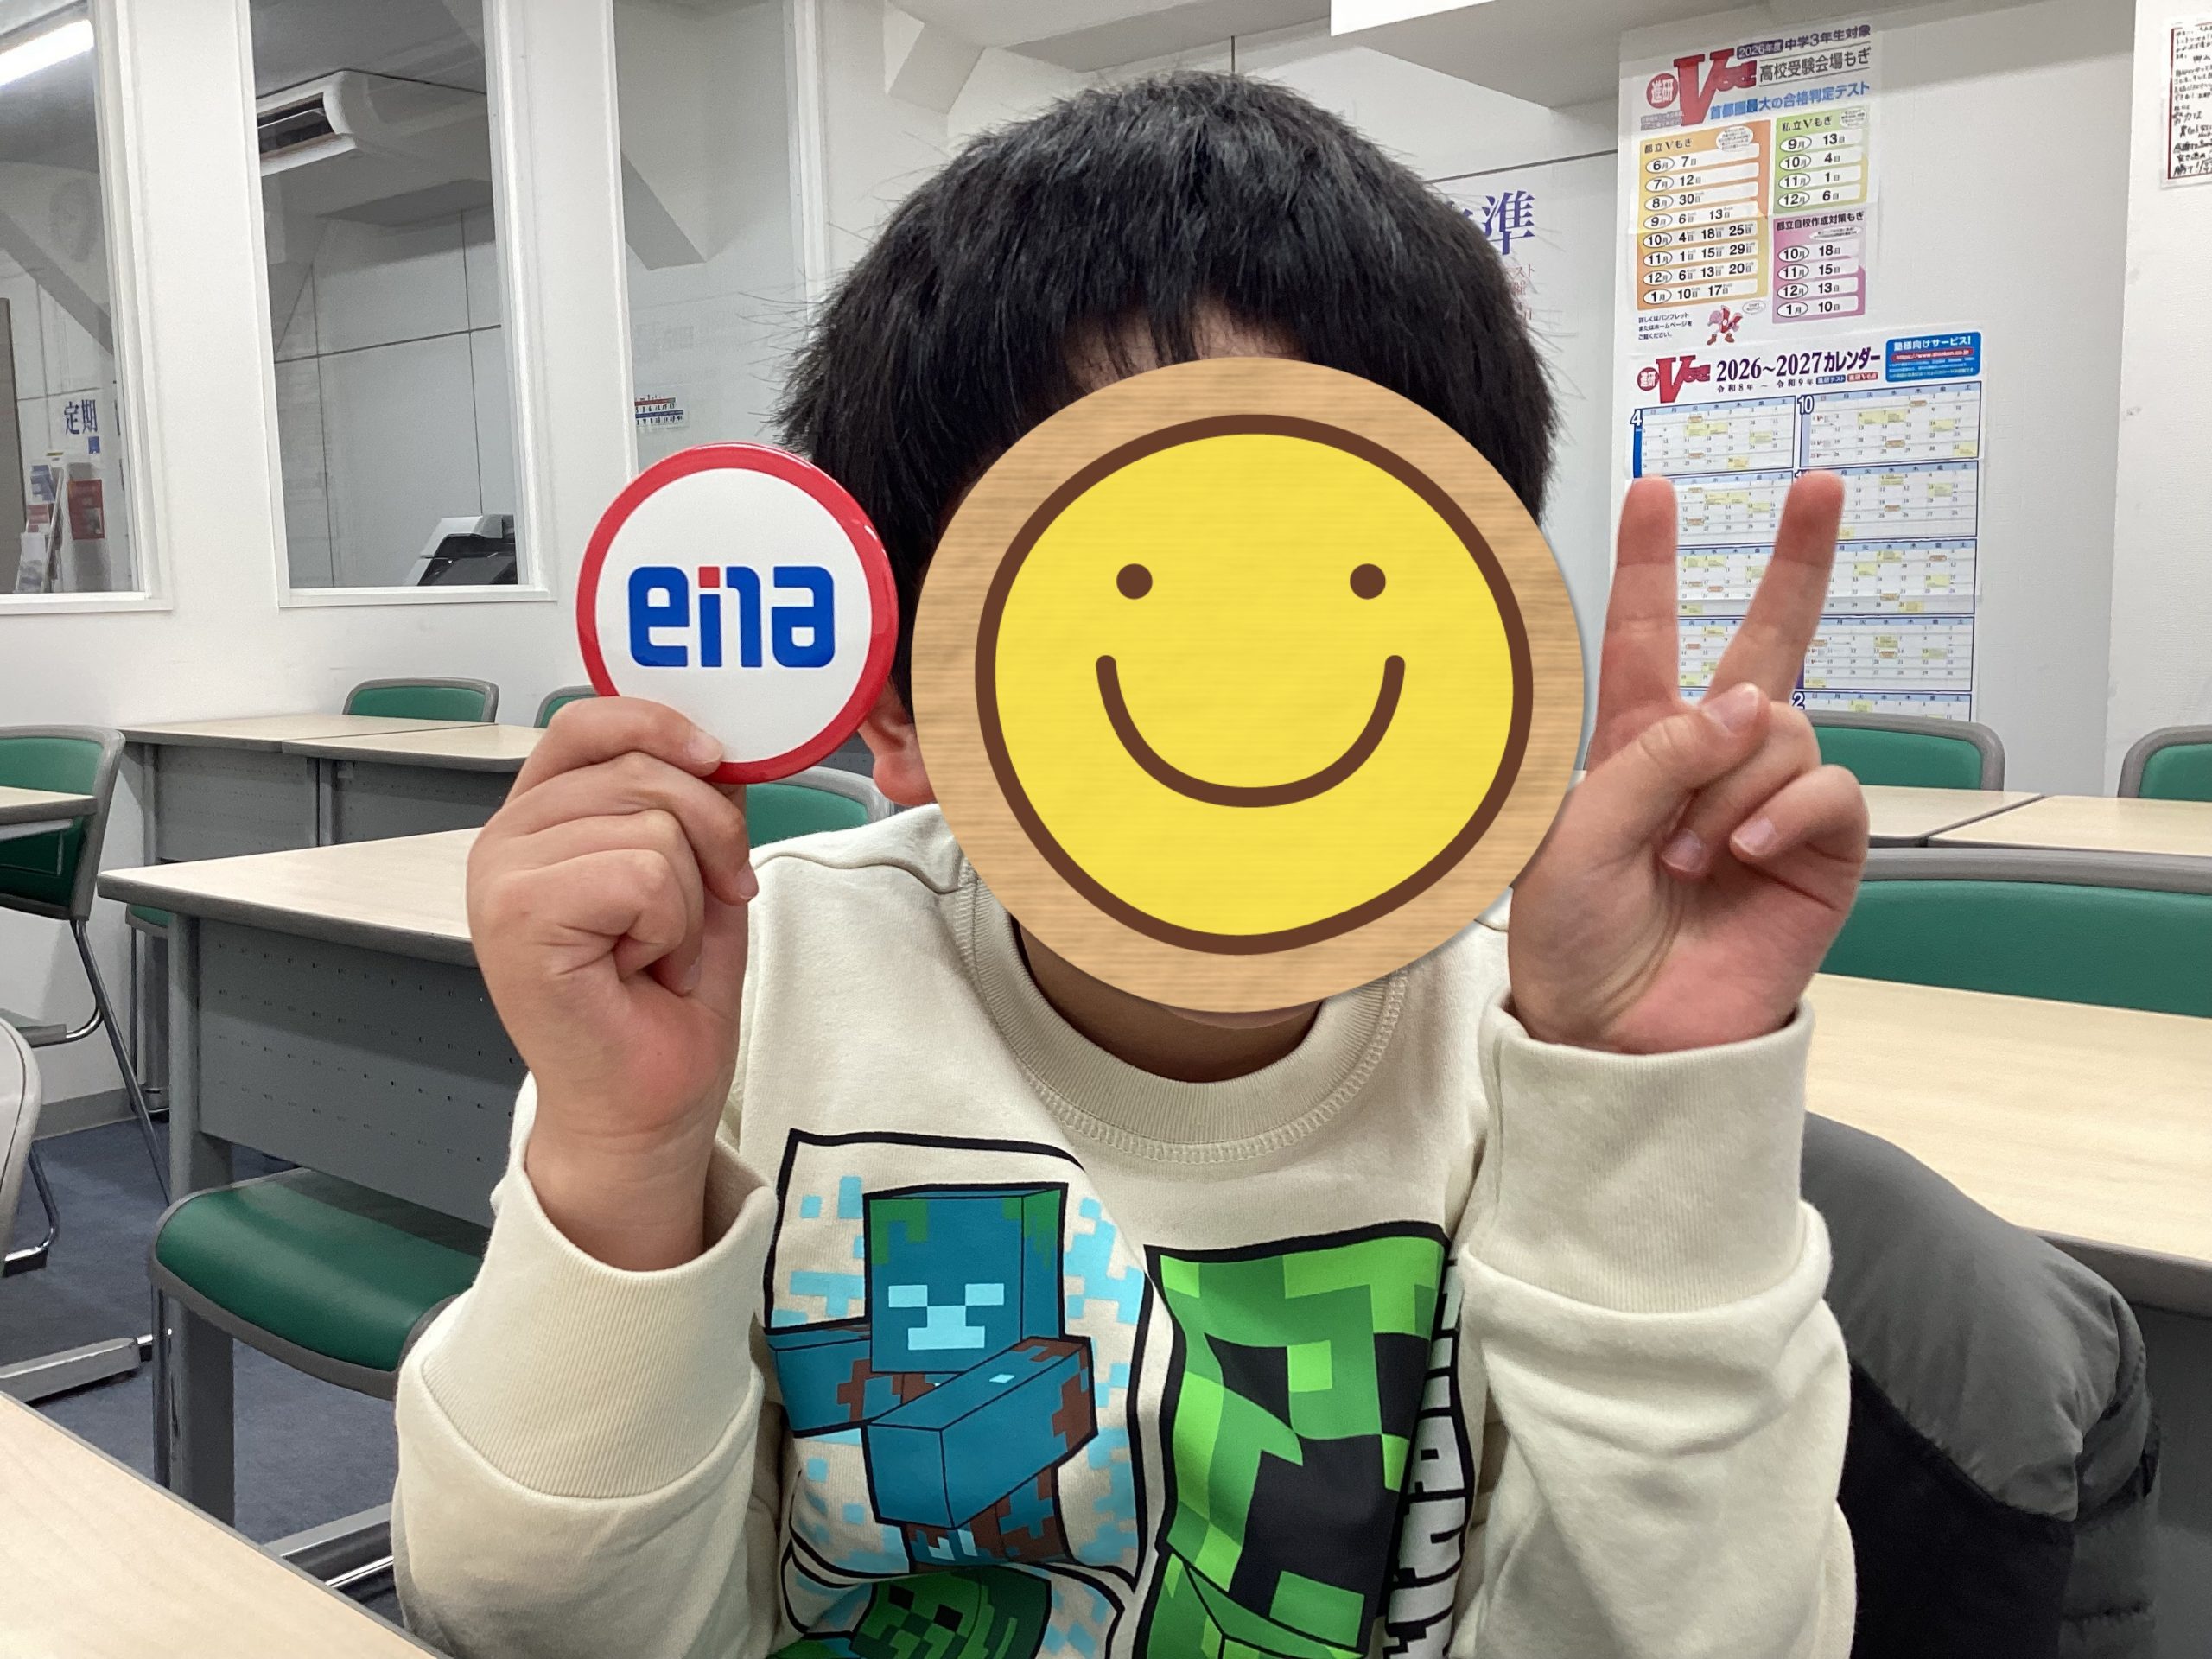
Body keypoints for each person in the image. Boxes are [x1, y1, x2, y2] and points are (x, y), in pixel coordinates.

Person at [393, 73, 1864, 1657]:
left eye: (1327, 576)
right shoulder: (741, 1002)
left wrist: (1648, 1107)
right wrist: (622, 1157)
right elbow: (530, 1624)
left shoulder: (1543, 1056)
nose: (1241, 691)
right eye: (1133, 583)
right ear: (899, 701)